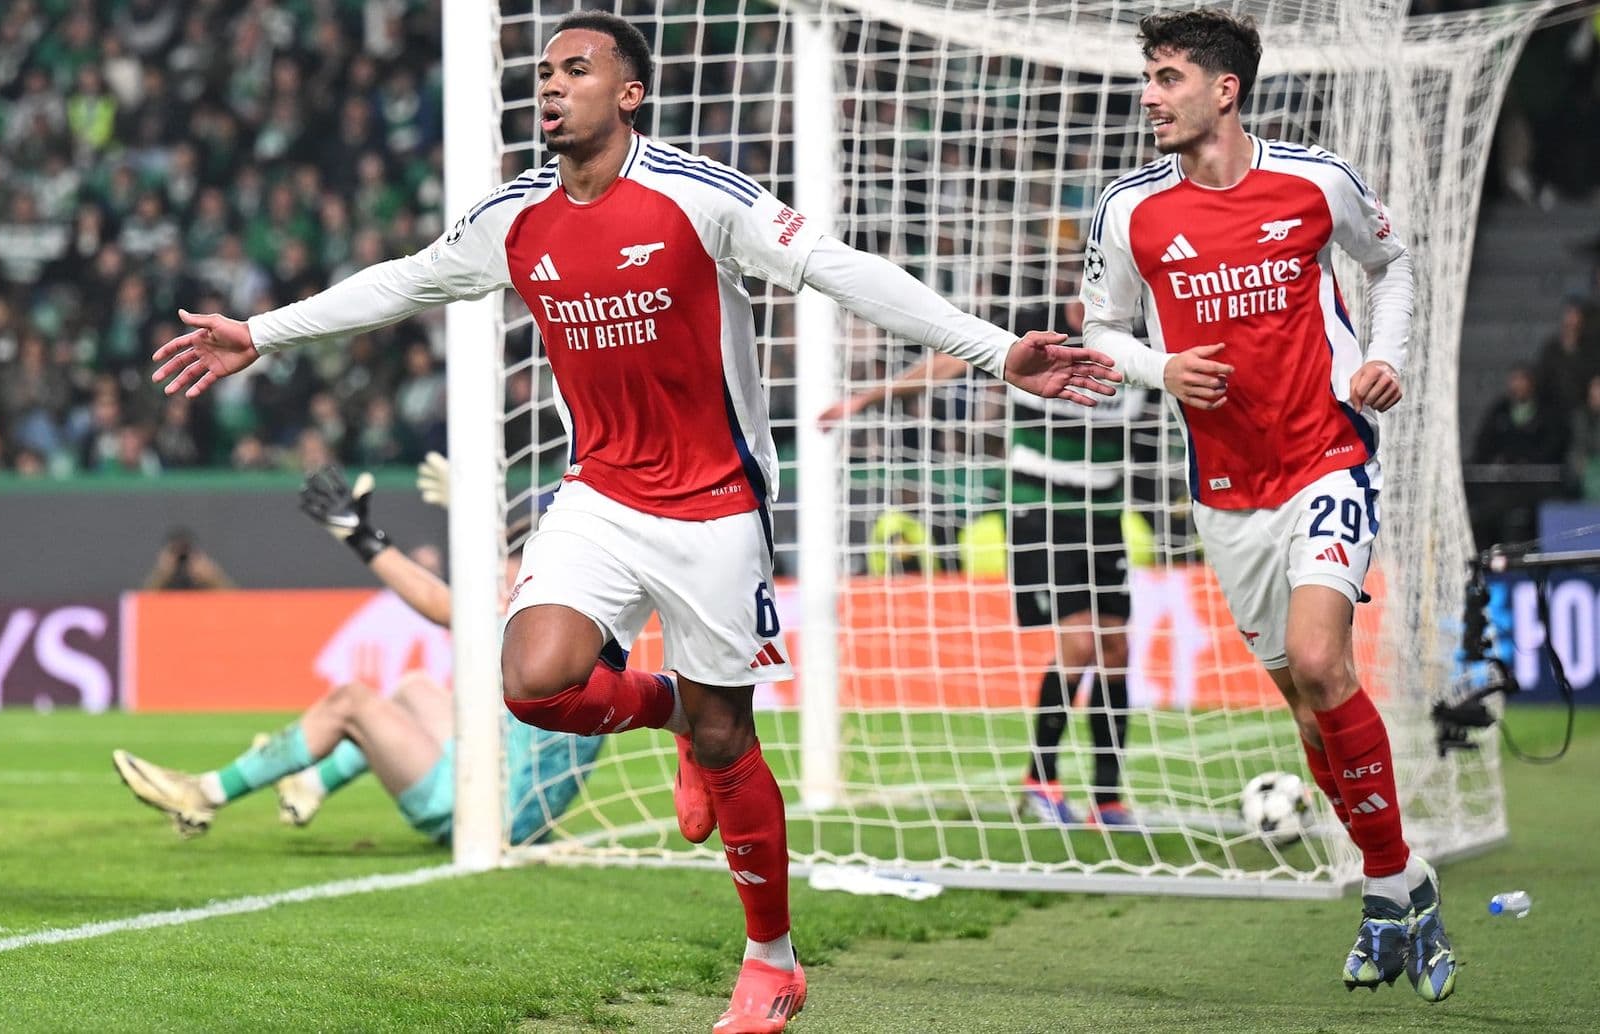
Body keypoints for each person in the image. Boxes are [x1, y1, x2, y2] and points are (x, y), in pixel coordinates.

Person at [151, 12, 1118, 1030]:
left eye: (577, 68)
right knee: (532, 680)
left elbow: (838, 266)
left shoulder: (701, 197)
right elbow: (402, 281)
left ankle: (770, 957)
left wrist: (987, 347)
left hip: (717, 504)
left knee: (729, 731)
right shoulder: (512, 219)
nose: (551, 85)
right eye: (543, 71)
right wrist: (260, 331)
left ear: (630, 92)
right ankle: (667, 716)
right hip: (600, 494)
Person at [1078, 9, 1454, 1000]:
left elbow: (1394, 263)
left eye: (1164, 78)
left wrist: (1385, 356)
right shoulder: (1129, 211)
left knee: (1326, 659)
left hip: (1325, 454)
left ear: (1223, 90)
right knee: (1303, 695)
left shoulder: (1314, 180)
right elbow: (1101, 329)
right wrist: (1160, 366)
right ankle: (1405, 875)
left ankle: (1379, 887)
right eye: (1147, 78)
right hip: (1226, 490)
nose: (1147, 95)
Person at [113, 461, 608, 846]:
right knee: (414, 687)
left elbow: (442, 604)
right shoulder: (576, 622)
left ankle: (204, 794)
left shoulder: (539, 621)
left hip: (487, 810)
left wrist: (361, 536)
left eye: (513, 549)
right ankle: (310, 781)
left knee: (352, 701)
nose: (502, 560)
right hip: (519, 799)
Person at [820, 316, 1144, 828]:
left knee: (1117, 649)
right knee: (1079, 644)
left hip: (1105, 513)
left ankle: (1107, 800)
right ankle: (1041, 780)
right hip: (1042, 507)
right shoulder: (1035, 331)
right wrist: (870, 398)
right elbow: (952, 359)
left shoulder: (1136, 345)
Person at [140, 526, 235, 590]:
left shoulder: (206, 582)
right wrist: (161, 574)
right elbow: (138, 607)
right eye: (174, 551)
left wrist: (212, 577)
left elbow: (236, 605)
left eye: (186, 550)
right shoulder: (160, 583)